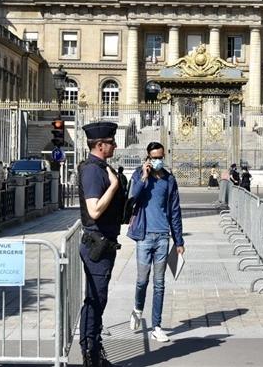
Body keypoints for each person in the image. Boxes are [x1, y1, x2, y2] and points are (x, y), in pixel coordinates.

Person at [77, 121, 127, 367]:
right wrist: (115, 186)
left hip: (103, 243)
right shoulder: (93, 170)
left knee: (97, 299)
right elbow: (94, 210)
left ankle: (93, 350)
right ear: (100, 145)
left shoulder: (100, 167)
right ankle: (90, 353)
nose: (115, 145)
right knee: (96, 300)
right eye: (111, 142)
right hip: (97, 244)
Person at [126, 142, 185, 343]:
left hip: (162, 237)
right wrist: (143, 177)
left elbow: (175, 211)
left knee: (159, 284)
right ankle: (137, 307)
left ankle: (156, 326)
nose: (157, 160)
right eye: (154, 157)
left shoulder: (169, 180)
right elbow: (132, 198)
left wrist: (179, 239)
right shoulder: (138, 175)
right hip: (143, 235)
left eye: (160, 157)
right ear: (147, 157)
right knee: (142, 280)